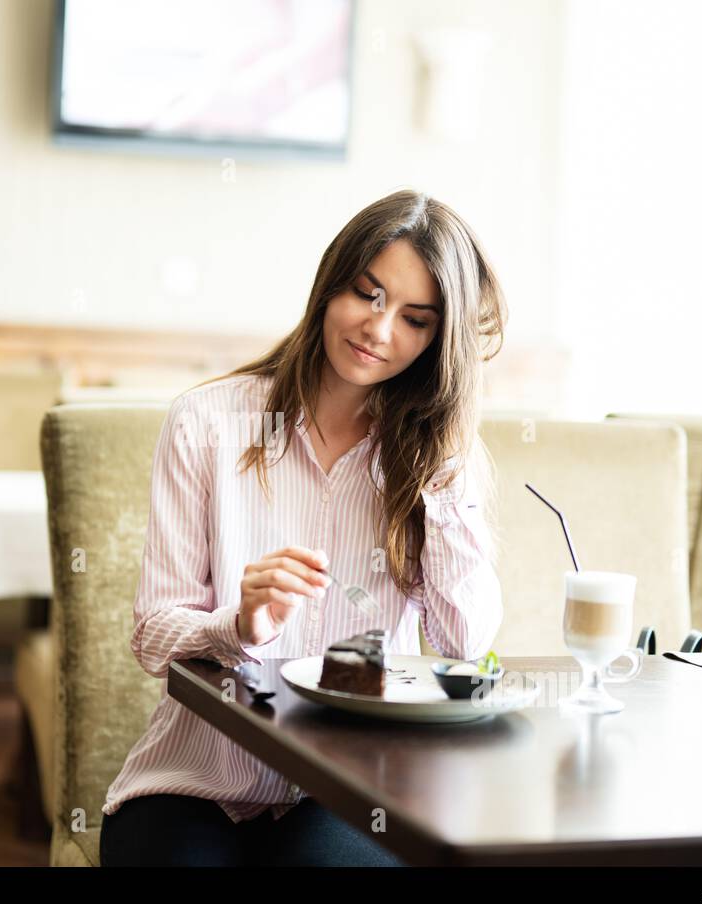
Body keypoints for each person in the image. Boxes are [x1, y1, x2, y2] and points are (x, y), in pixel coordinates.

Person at [99, 189, 507, 866]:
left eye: (415, 319)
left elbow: (466, 644)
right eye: (366, 293)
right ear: (329, 284)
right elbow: (151, 636)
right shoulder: (206, 423)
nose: (379, 330)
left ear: (441, 340)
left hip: (357, 785)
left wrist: (443, 474)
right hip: (198, 782)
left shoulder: (442, 466)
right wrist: (237, 625)